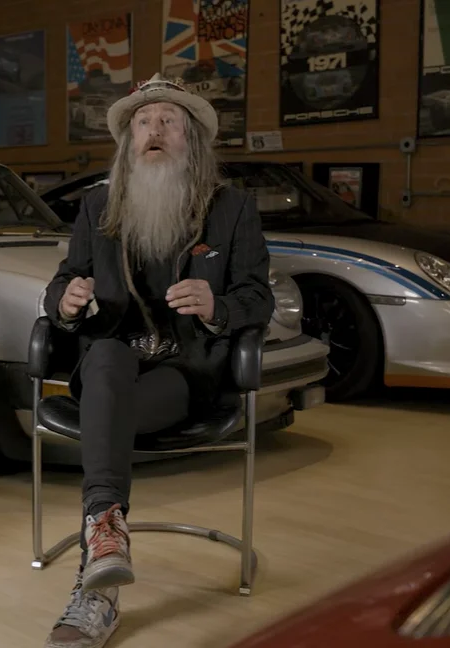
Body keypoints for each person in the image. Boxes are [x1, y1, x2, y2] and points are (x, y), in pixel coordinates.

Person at [41, 73, 275, 648]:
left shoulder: (233, 208)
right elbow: (65, 280)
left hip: (184, 372)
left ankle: (97, 580)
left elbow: (258, 297)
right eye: (143, 122)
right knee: (105, 359)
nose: (154, 130)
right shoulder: (98, 206)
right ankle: (105, 546)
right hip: (112, 362)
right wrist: (65, 302)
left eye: (169, 121)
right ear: (128, 142)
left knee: (107, 397)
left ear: (191, 140)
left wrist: (219, 307)